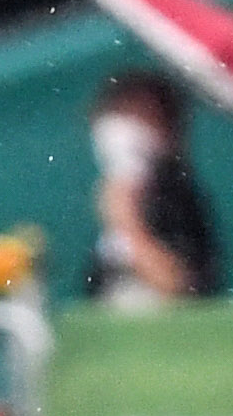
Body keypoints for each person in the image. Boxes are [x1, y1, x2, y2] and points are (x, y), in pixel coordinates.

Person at [84, 68, 221, 307]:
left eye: (140, 115)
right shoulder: (110, 191)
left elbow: (181, 288)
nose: (123, 130)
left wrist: (128, 223)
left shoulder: (178, 199)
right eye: (119, 112)